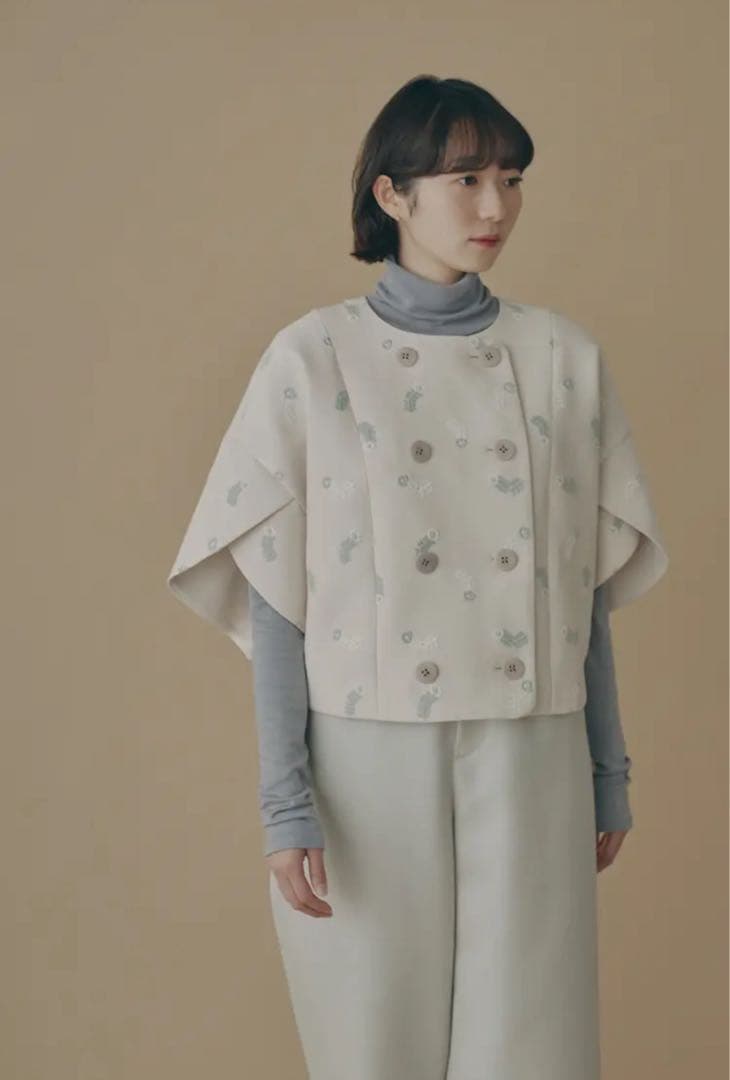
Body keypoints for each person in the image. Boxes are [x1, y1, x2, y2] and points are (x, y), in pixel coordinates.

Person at [167, 75, 669, 1080]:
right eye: (466, 179)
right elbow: (278, 601)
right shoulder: (311, 361)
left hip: (533, 746)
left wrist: (607, 772)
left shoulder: (563, 358)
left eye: (510, 179)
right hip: (364, 756)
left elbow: (579, 596)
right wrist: (285, 801)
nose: (495, 207)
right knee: (371, 1047)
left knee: (534, 1048)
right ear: (392, 194)